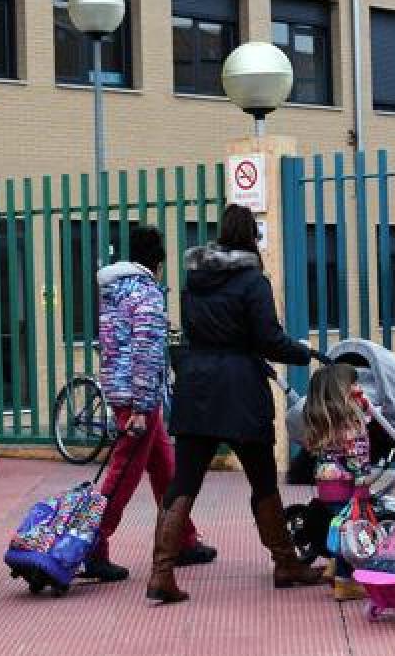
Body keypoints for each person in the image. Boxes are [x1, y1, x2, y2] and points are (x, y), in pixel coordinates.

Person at [146, 205, 322, 604]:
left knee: (184, 480)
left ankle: (161, 572)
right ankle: (285, 561)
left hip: (197, 387)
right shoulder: (252, 282)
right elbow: (268, 340)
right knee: (261, 478)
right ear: (251, 239)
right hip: (240, 391)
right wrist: (304, 353)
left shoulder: (195, 279)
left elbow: (193, 330)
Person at [83, 226, 216, 583]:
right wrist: (142, 407)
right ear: (158, 263)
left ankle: (183, 539)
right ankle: (92, 545)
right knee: (122, 474)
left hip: (125, 391)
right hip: (137, 399)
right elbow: (145, 352)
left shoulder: (115, 291)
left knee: (166, 468)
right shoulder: (147, 294)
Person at [302, 363, 372, 602]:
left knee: (338, 526)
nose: (358, 387)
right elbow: (357, 454)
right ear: (342, 389)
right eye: (353, 383)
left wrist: (363, 407)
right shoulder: (349, 420)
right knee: (349, 532)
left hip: (326, 485)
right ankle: (345, 582)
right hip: (348, 485)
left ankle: (333, 566)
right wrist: (362, 485)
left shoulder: (321, 417)